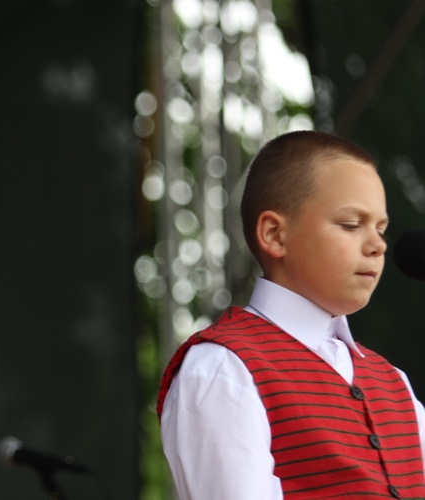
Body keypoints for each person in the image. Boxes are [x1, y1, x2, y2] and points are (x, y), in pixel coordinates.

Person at [157, 130, 425, 499]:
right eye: (351, 225)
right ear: (275, 235)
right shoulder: (224, 367)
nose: (378, 245)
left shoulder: (393, 382)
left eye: (381, 229)